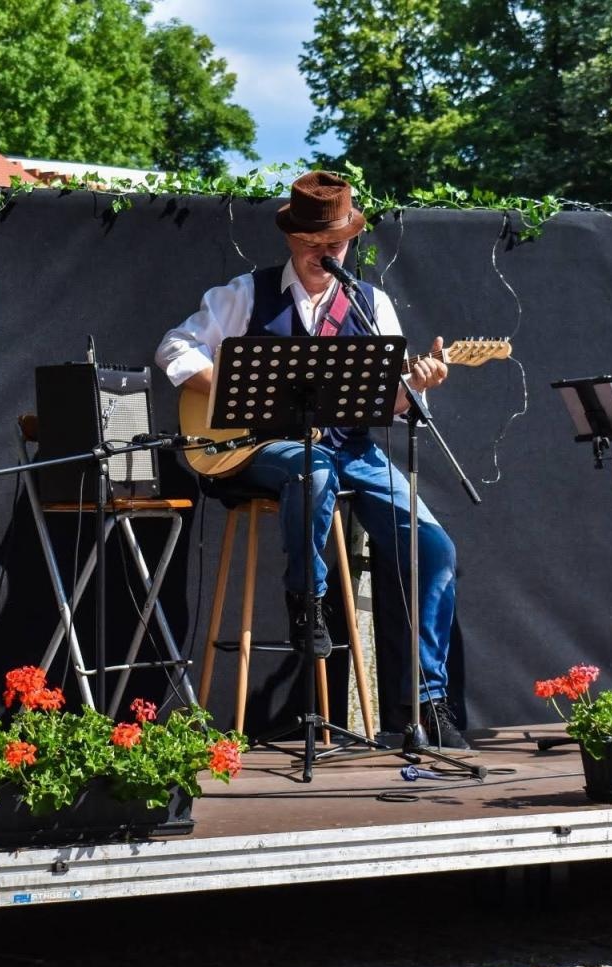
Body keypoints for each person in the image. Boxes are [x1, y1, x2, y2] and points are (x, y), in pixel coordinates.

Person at [154, 171, 467, 748]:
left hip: (351, 447)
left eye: (337, 243)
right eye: (313, 243)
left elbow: (391, 399)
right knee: (310, 468)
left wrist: (420, 384)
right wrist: (227, 390)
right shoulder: (247, 293)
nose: (326, 253)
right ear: (292, 239)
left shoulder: (372, 306)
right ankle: (307, 600)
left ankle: (427, 703)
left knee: (433, 547)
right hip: (262, 448)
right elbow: (175, 346)